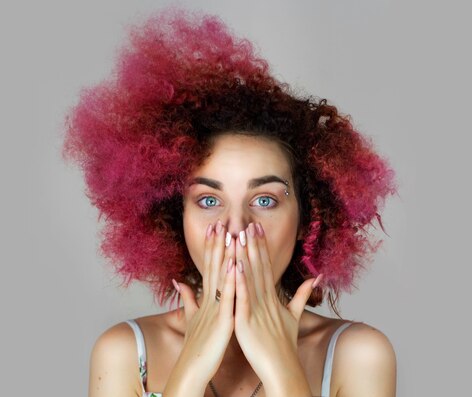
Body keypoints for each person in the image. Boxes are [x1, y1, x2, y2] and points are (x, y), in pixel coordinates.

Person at [63, 6, 397, 397]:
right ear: (176, 219)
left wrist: (282, 369)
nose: (235, 227)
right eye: (208, 201)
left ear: (307, 220)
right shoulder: (123, 353)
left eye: (266, 200)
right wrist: (190, 368)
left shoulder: (359, 356)